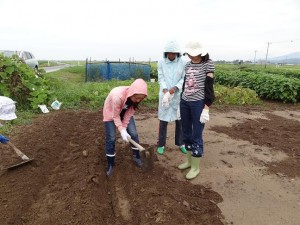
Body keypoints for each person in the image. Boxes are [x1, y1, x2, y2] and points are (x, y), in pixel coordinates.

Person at [178, 40, 215, 180]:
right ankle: (188, 161)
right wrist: (180, 101)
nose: (190, 56)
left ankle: (195, 167)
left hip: (198, 103)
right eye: (189, 53)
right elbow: (185, 85)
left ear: (200, 52)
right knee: (186, 133)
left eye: (192, 53)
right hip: (185, 102)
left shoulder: (208, 64)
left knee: (196, 134)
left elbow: (209, 87)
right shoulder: (187, 65)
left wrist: (206, 107)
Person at [102, 78, 148, 176]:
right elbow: (115, 116)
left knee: (133, 133)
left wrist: (124, 128)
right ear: (132, 93)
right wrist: (121, 130)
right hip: (111, 113)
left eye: (141, 98)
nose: (138, 100)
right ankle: (110, 163)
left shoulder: (136, 98)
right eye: (137, 98)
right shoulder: (117, 97)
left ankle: (137, 157)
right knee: (111, 138)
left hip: (124, 112)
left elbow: (128, 114)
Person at [157, 39, 186, 155]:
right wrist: (165, 90)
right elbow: (161, 77)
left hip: (178, 94)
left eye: (173, 53)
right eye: (169, 53)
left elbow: (184, 78)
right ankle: (161, 144)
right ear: (166, 53)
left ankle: (181, 143)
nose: (171, 55)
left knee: (180, 119)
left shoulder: (183, 62)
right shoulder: (161, 62)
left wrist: (175, 88)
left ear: (177, 53)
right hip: (165, 95)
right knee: (163, 120)